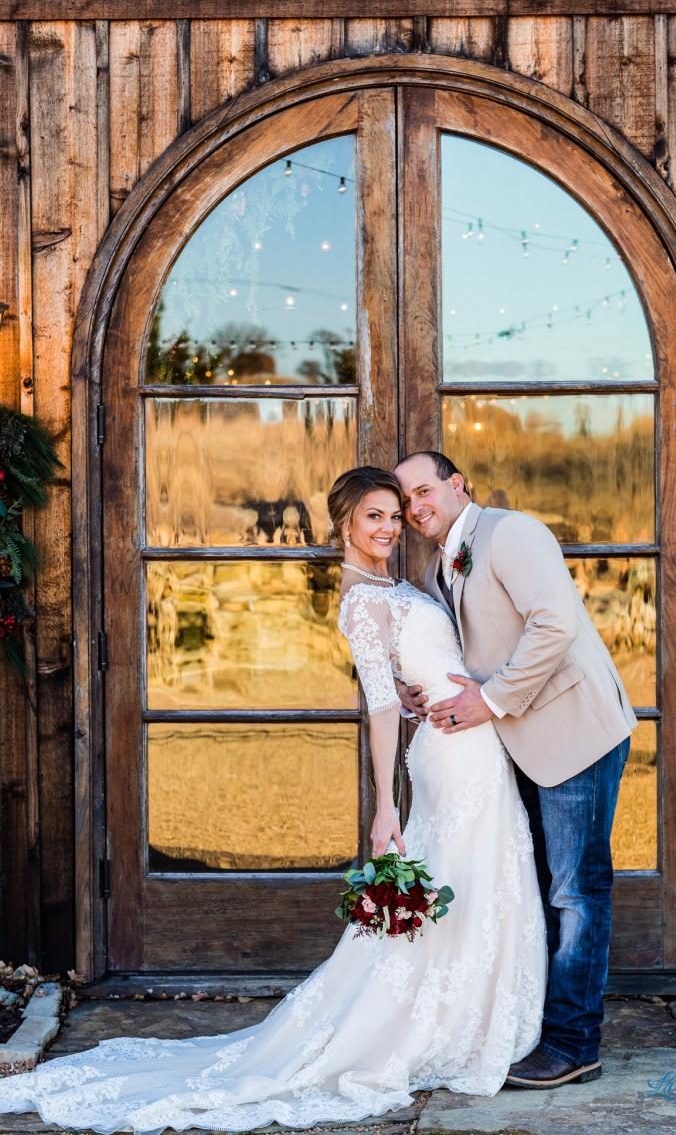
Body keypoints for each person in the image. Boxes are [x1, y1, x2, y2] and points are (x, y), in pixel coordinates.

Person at [0, 466, 546, 1134]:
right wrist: (385, 806)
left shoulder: (393, 585)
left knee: (481, 880)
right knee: (461, 879)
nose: (388, 528)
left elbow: (404, 680)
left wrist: (417, 688)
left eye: (393, 515)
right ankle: (436, 1028)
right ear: (344, 524)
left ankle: (476, 1018)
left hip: (471, 743)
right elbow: (378, 707)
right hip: (452, 759)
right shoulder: (361, 599)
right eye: (373, 516)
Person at [392, 452, 636, 1090]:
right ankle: (536, 1028)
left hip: (574, 731)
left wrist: (491, 700)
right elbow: (469, 651)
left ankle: (574, 1046)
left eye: (425, 491)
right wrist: (422, 690)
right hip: (517, 742)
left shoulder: (511, 532)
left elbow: (554, 625)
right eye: (406, 500)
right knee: (544, 888)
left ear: (456, 485)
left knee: (577, 894)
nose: (416, 507)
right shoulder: (437, 566)